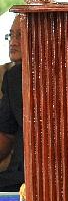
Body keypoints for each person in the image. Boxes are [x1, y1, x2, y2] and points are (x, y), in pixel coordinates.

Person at [0, 16, 24, 191]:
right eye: (11, 35)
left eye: (20, 35)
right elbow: (7, 135)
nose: (13, 42)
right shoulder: (12, 77)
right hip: (17, 174)